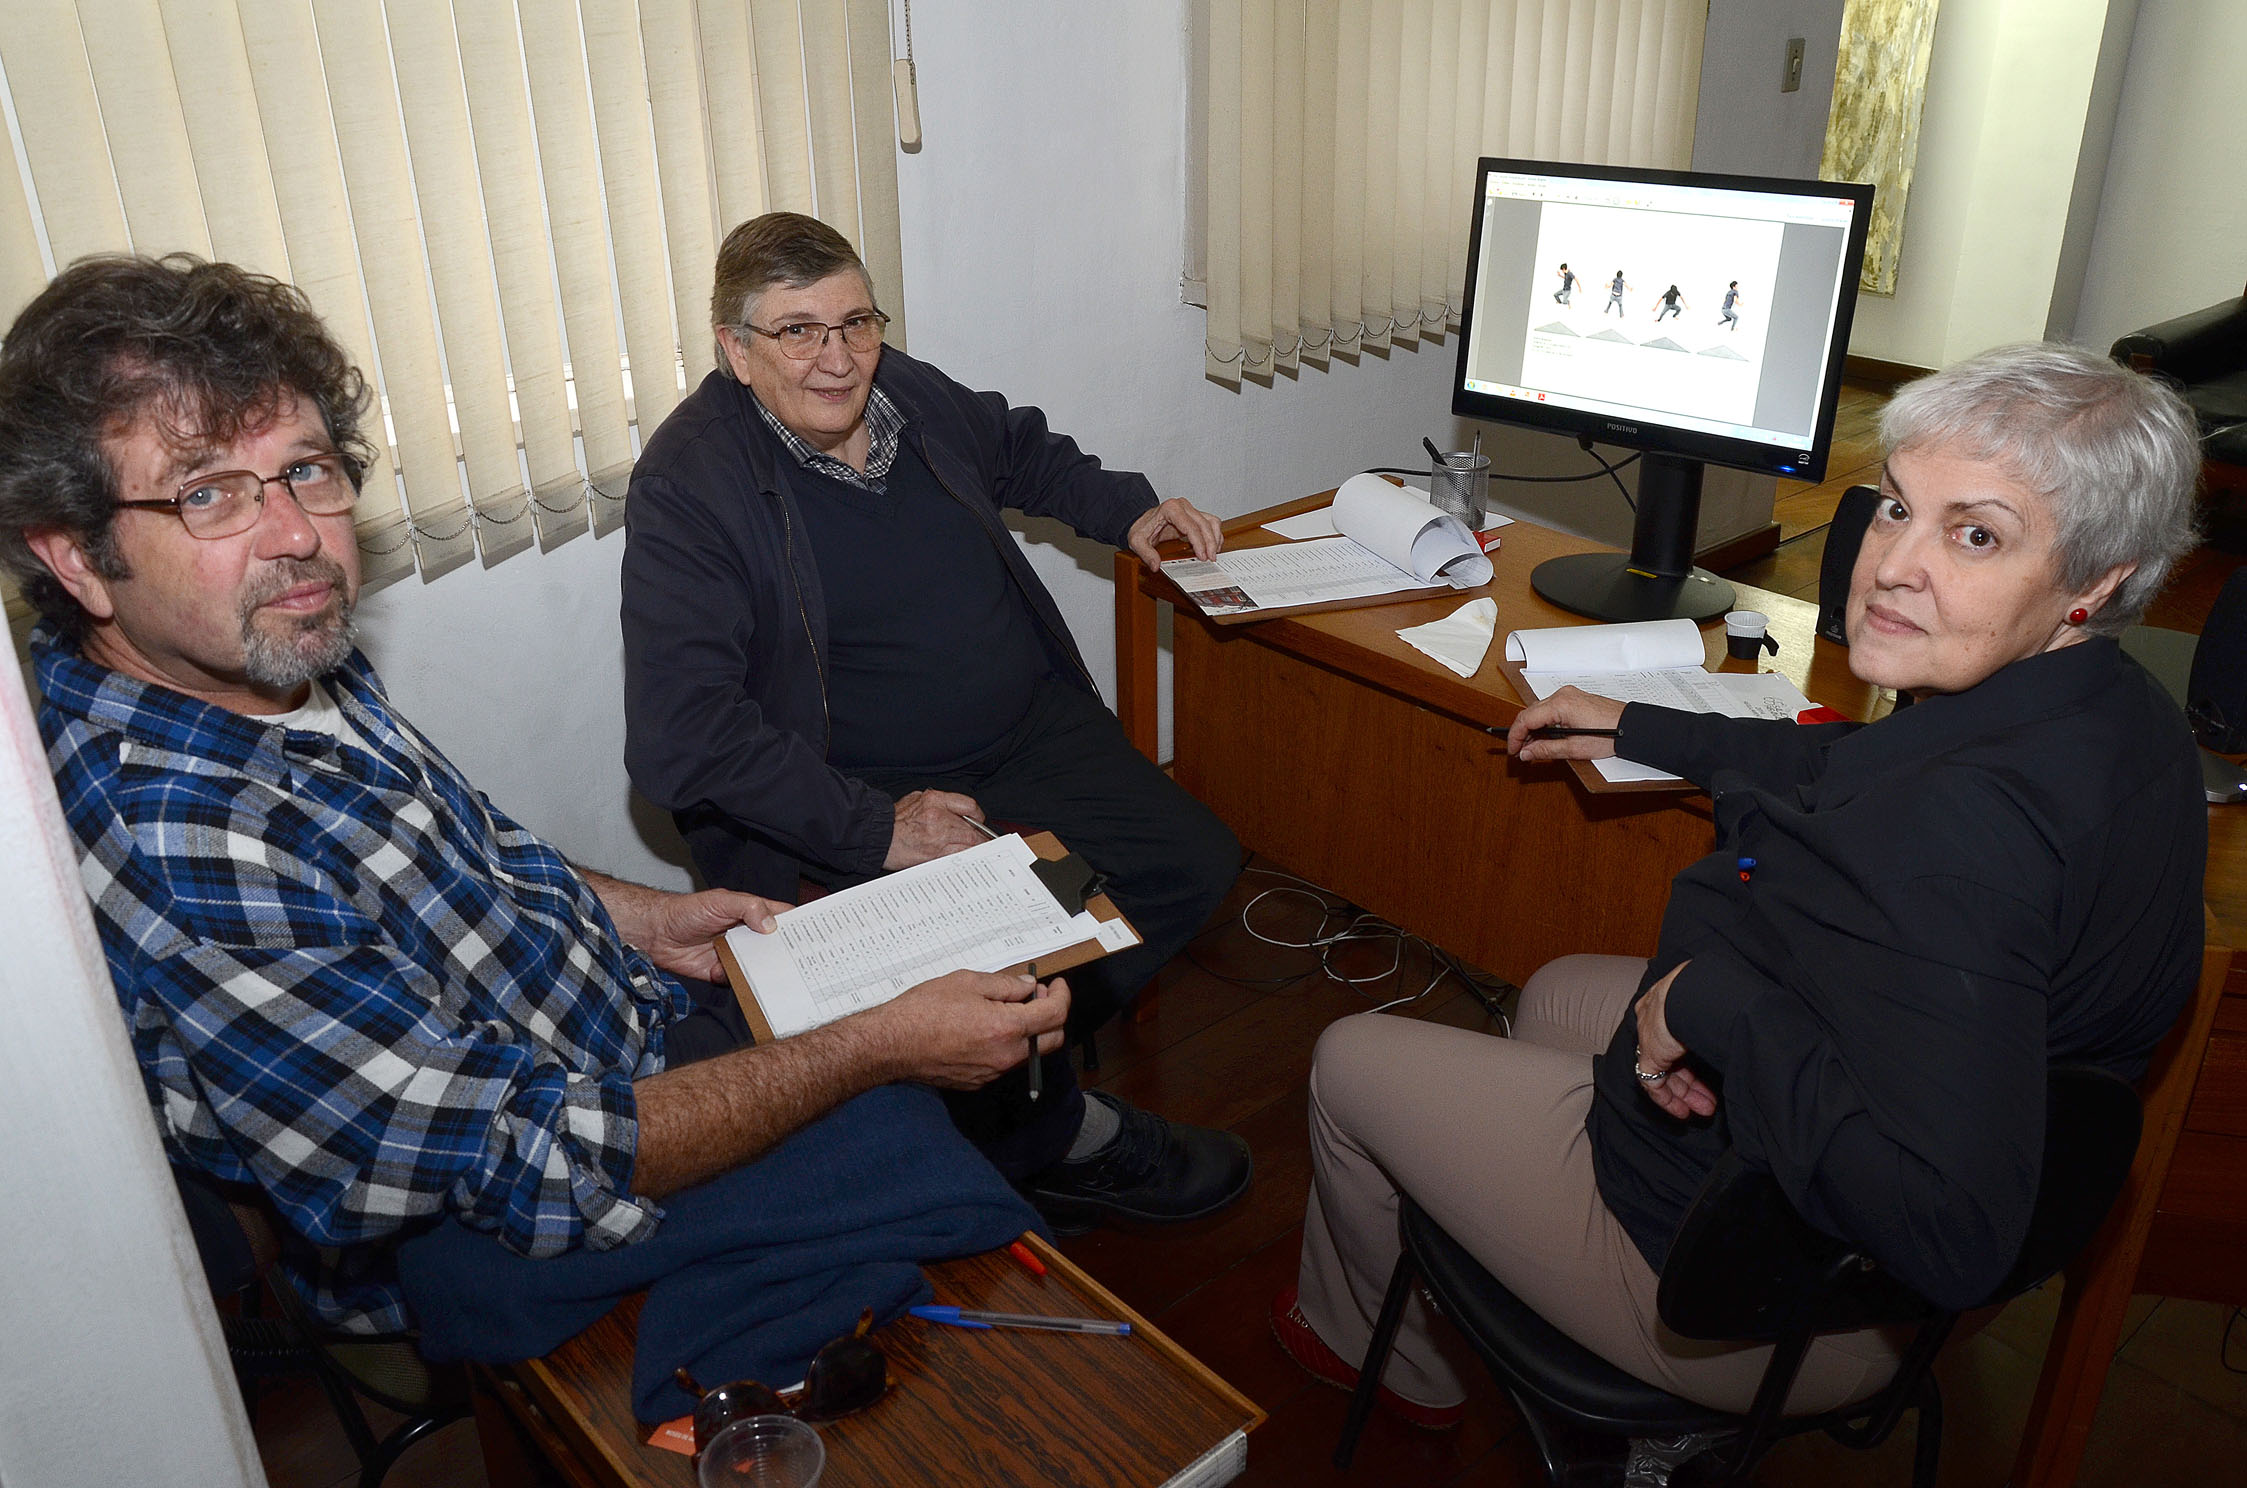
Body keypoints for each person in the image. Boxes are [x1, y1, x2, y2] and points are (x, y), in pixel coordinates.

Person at [0, 254, 1093, 1357]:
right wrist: (872, 1048)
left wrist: (640, 914)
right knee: (950, 1192)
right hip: (524, 1207)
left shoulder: (268, 655)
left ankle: (1057, 1136)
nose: (295, 536)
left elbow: (459, 848)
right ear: (78, 559)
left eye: (307, 472)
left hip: (611, 1024)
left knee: (978, 1000)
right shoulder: (181, 839)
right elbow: (510, 1158)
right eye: (206, 493)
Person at [1268, 342, 2206, 1431]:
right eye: (1897, 508)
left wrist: (1712, 1003)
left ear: (2094, 580)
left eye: (1977, 535)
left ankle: (1376, 1357)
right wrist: (1642, 722)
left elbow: (1953, 1233)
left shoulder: (1955, 844)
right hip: (1865, 1191)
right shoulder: (2116, 714)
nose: (1894, 565)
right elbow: (1843, 768)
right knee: (1560, 989)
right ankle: (1523, 1202)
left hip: (1765, 1310)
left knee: (1347, 1061)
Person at [619, 212, 1251, 1234]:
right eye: (798, 332)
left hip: (1031, 735)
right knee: (1041, 927)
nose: (838, 358)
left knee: (1186, 861)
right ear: (736, 351)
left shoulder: (900, 387)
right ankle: (1037, 1131)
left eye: (856, 321)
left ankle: (995, 1098)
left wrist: (1123, 510)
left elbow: (1018, 450)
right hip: (882, 794)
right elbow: (681, 739)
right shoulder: (693, 483)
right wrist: (878, 827)